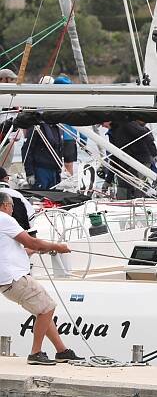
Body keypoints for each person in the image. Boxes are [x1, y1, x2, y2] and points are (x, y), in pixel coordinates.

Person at [0, 192, 81, 365]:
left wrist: (37, 250)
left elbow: (15, 251)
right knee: (47, 308)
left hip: (5, 281)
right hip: (14, 278)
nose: (13, 210)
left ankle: (62, 351)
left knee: (42, 311)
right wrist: (57, 247)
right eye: (12, 206)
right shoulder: (4, 219)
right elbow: (31, 242)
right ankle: (35, 353)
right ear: (5, 205)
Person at [107, 117, 157, 198]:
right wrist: (108, 180)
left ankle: (143, 200)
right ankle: (122, 205)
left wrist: (153, 155)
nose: (102, 126)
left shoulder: (126, 124)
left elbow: (145, 133)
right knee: (122, 191)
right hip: (124, 165)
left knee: (138, 189)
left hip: (140, 161)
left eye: (102, 123)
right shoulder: (112, 133)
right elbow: (114, 157)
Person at [21, 118, 63, 190]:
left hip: (54, 171)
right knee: (39, 196)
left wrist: (59, 171)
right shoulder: (37, 127)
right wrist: (29, 173)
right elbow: (26, 149)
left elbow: (60, 150)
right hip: (40, 170)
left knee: (52, 197)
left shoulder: (58, 127)